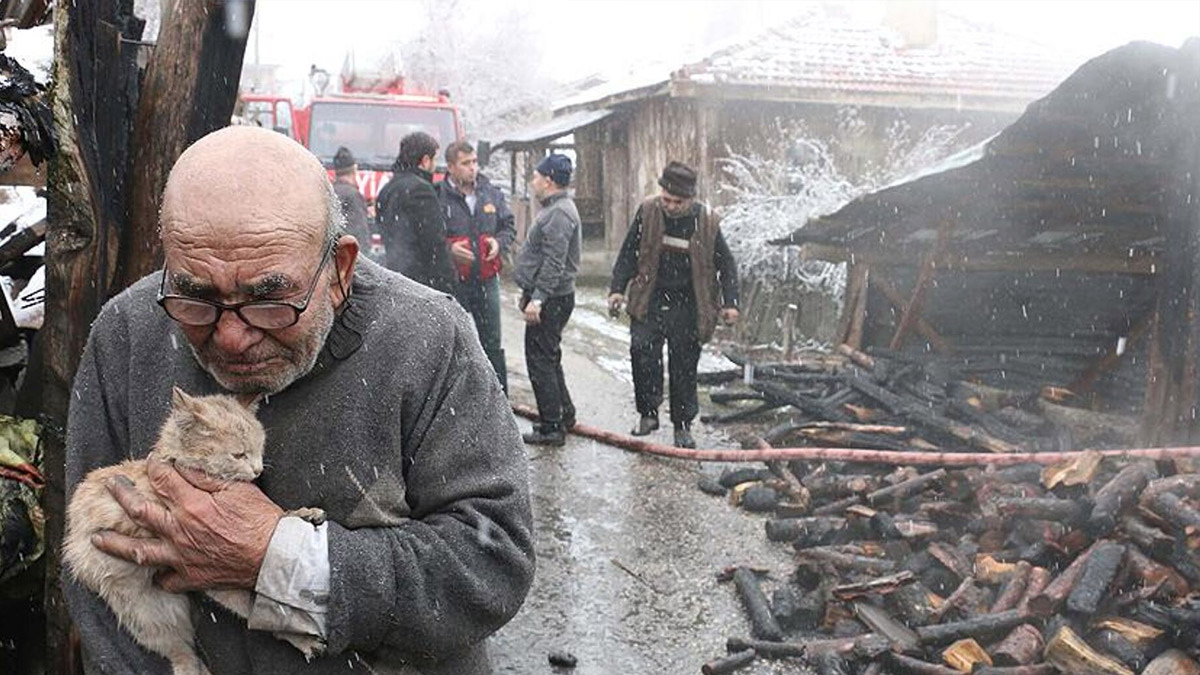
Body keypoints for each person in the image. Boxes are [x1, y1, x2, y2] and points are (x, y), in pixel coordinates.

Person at [64, 126, 534, 675]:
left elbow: (491, 563)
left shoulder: (428, 338)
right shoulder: (129, 330)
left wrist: (279, 558)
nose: (232, 337)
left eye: (270, 299)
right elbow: (91, 574)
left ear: (339, 271)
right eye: (198, 296)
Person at [607, 161, 740, 449]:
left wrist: (731, 302)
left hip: (689, 305)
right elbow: (629, 252)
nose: (670, 206)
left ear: (690, 198)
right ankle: (648, 414)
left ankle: (682, 425)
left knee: (683, 366)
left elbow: (726, 265)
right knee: (641, 352)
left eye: (677, 202)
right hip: (650, 300)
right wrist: (617, 289)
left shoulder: (707, 221)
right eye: (666, 199)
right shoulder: (648, 211)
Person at [437, 141, 516, 393]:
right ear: (450, 167)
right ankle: (459, 397)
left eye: (474, 162)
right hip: (454, 282)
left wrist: (498, 242)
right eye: (465, 163)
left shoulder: (490, 192)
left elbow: (508, 226)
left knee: (492, 341)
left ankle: (499, 396)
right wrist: (449, 249)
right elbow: (429, 237)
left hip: (487, 278)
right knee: (453, 341)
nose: (472, 168)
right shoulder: (438, 196)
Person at [514, 154, 580, 446]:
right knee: (549, 357)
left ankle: (552, 426)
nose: (533, 182)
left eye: (537, 176)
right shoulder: (556, 209)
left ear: (549, 180)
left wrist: (538, 299)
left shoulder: (559, 214)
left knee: (540, 360)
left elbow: (555, 262)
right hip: (550, 295)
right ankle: (563, 413)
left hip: (552, 298)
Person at [375, 131, 455, 293]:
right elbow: (434, 243)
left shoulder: (387, 189)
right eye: (434, 160)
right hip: (421, 283)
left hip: (395, 277)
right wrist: (449, 285)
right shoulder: (422, 190)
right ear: (425, 161)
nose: (435, 166)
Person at [330, 146, 372, 247]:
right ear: (354, 170)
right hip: (348, 254)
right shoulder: (353, 195)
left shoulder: (329, 192)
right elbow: (360, 232)